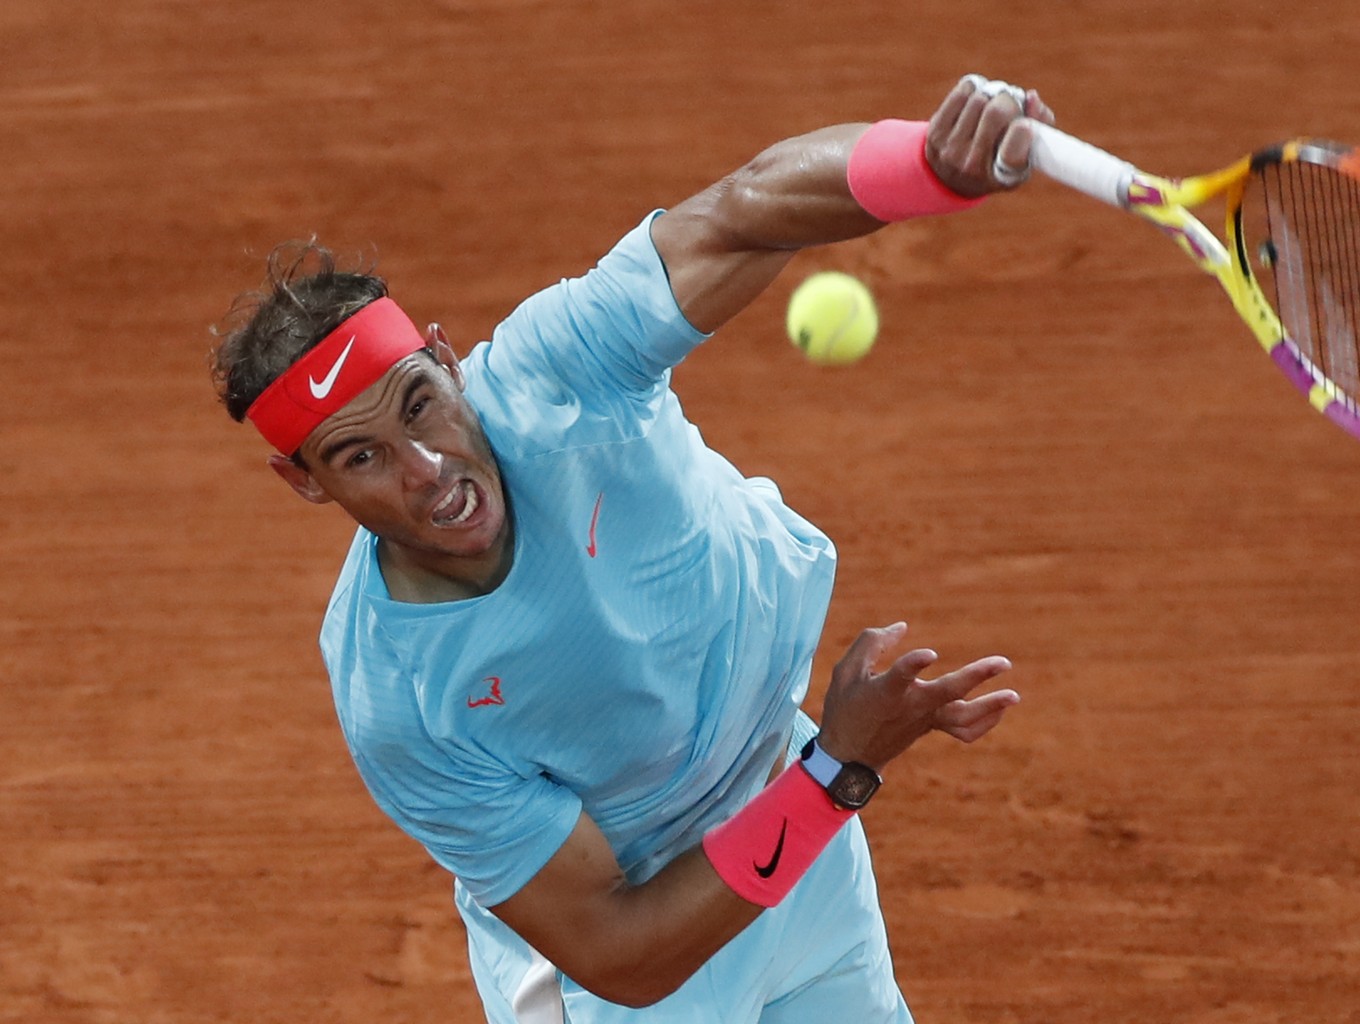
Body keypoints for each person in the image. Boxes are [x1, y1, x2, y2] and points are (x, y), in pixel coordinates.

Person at [211, 73, 1052, 1023]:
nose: (427, 470)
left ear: (447, 360)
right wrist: (836, 772)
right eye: (361, 456)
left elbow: (742, 213)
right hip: (648, 949)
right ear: (306, 481)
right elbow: (623, 952)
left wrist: (930, 163)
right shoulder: (398, 697)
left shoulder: (553, 376)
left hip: (786, 816)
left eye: (421, 406)